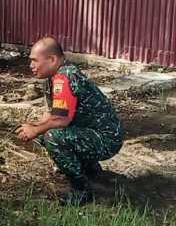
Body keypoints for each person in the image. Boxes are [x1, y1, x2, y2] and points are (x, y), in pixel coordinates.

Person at [15, 37, 123, 205]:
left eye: (35, 61)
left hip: (106, 139)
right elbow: (54, 114)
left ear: (52, 59)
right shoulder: (57, 76)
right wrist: (33, 127)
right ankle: (90, 171)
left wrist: (35, 130)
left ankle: (81, 191)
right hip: (97, 134)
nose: (31, 66)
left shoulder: (63, 78)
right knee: (43, 132)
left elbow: (61, 120)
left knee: (52, 136)